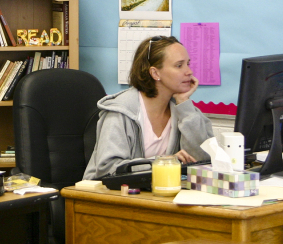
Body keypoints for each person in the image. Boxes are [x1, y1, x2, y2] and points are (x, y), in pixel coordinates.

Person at [83, 35, 213, 179]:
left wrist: (184, 104)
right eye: (179, 65)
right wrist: (163, 163)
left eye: (188, 64)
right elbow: (107, 168)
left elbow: (204, 161)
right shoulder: (121, 112)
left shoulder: (183, 110)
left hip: (153, 194)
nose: (189, 71)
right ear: (155, 73)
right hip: (106, 196)